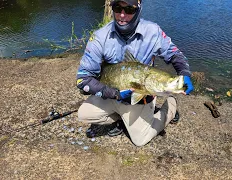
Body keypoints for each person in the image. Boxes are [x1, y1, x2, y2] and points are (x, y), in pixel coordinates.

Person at [76, 0, 194, 146]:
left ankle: (170, 105)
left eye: (129, 9)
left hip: (141, 97)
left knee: (140, 140)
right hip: (111, 94)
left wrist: (185, 73)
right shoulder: (100, 37)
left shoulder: (153, 31)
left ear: (138, 9)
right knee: (84, 114)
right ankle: (121, 119)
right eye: (117, 8)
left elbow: (175, 55)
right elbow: (82, 80)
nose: (122, 15)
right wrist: (114, 94)